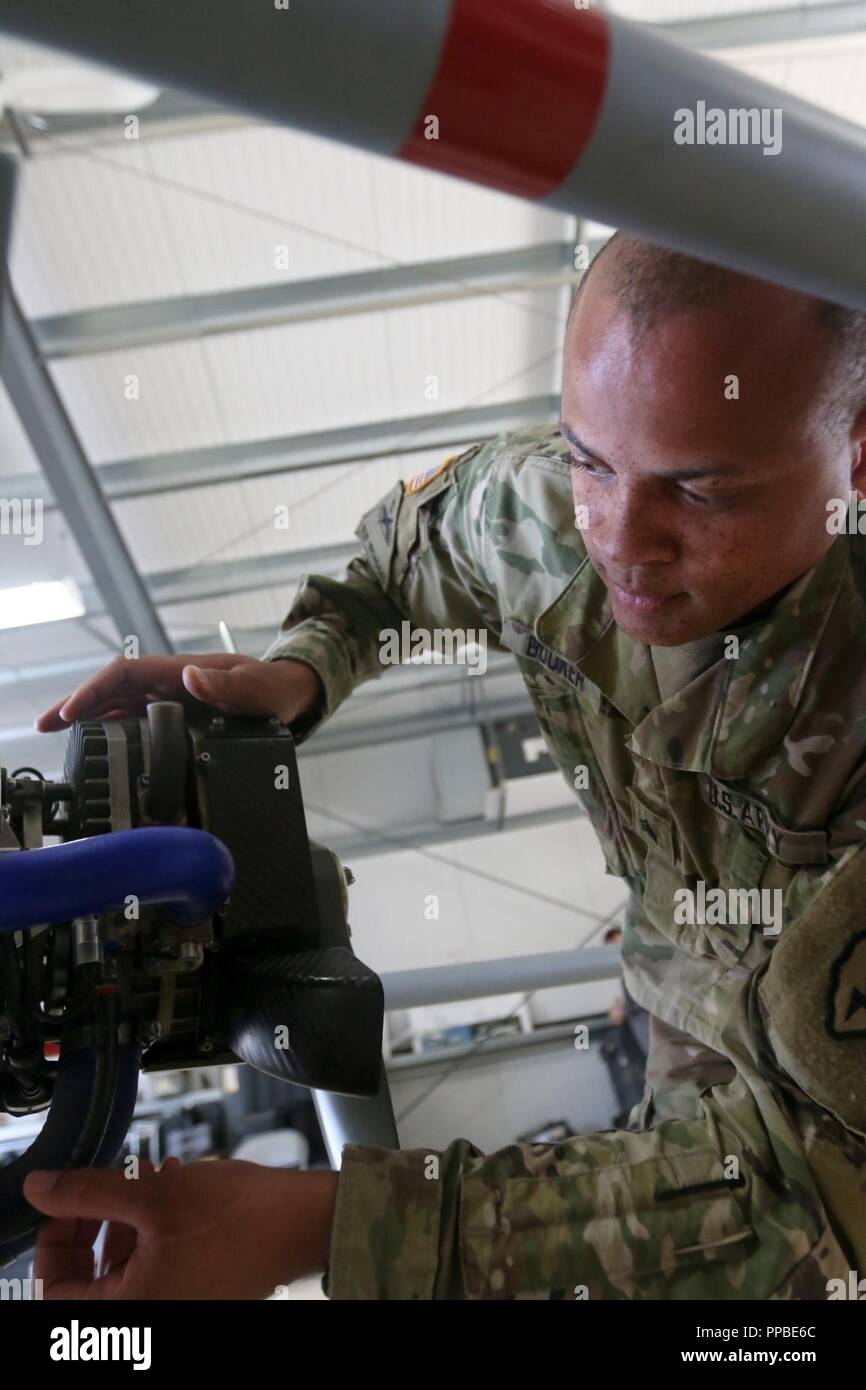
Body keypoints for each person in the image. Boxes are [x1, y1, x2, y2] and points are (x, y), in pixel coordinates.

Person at [26, 232, 866, 1300]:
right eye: (589, 458)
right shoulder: (536, 515)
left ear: (856, 454)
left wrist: (332, 1230)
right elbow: (393, 570)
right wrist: (303, 669)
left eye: (698, 494)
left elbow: (810, 1198)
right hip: (679, 1003)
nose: (617, 541)